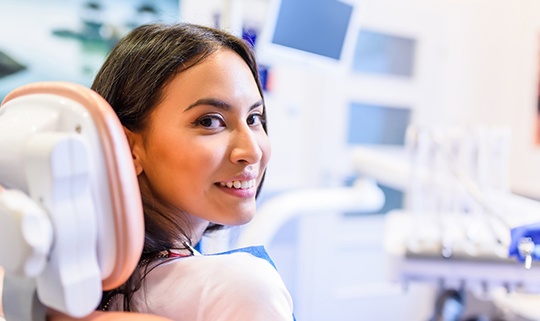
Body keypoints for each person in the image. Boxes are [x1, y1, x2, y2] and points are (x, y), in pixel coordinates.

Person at [91, 23, 295, 320]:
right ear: (127, 146)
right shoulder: (240, 288)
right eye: (210, 121)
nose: (251, 151)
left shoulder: (76, 287)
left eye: (254, 118)